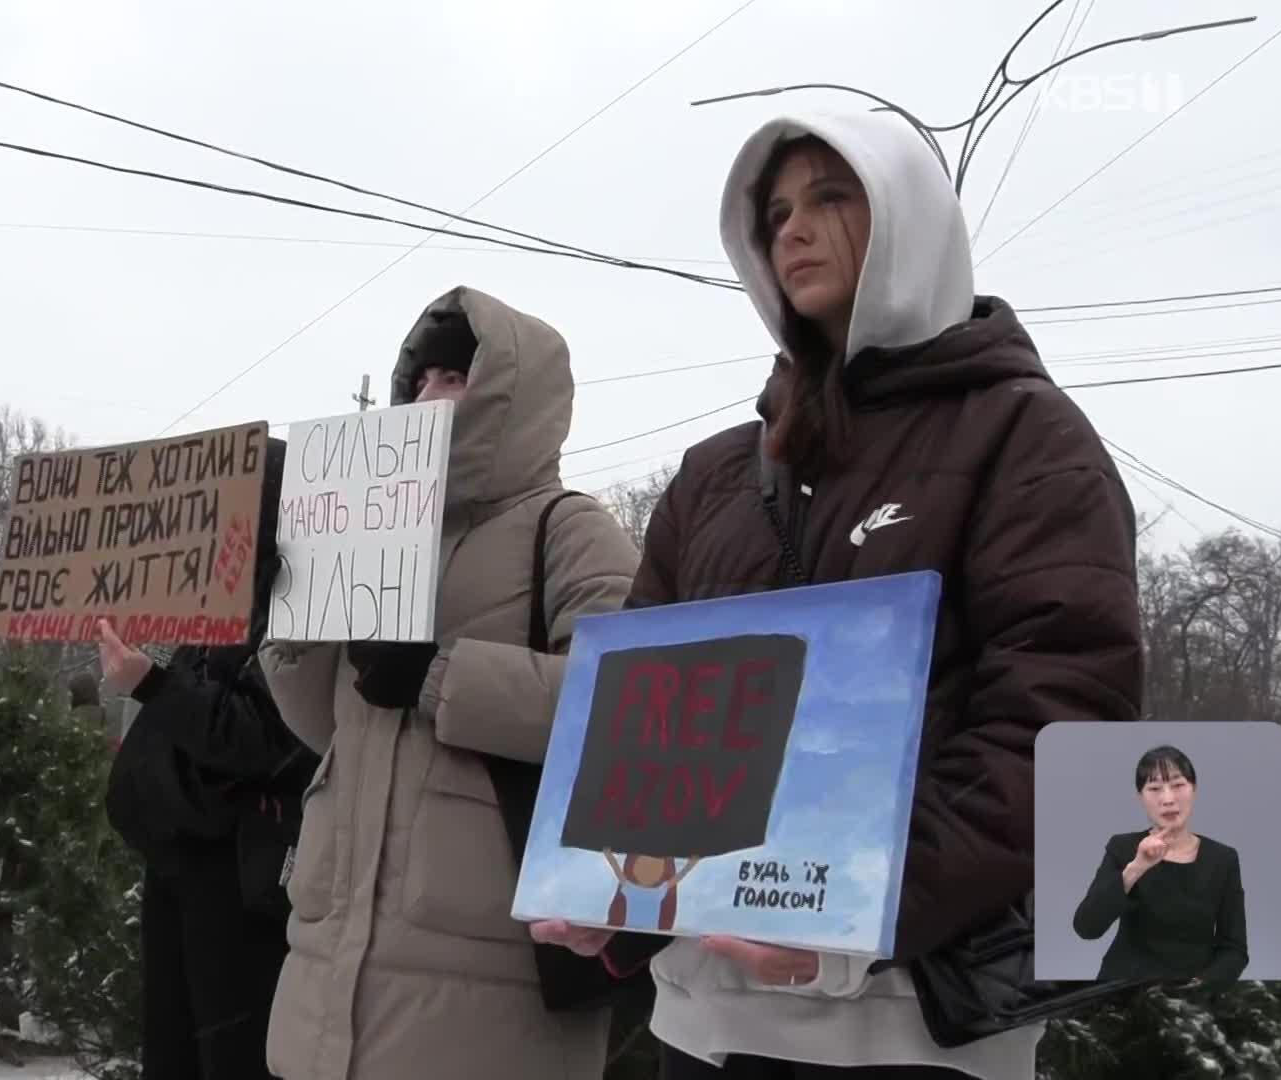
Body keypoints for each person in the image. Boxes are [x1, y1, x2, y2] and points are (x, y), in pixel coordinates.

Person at [531, 110, 1144, 1080]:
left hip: (908, 1033)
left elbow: (1060, 726)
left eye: (830, 196)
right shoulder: (713, 476)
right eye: (774, 213)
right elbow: (643, 719)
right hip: (702, 1024)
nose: (794, 231)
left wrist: (861, 913)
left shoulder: (1026, 441)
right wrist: (609, 897)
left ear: (910, 216)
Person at [257, 286, 640, 1080]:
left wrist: (437, 677)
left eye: (456, 378)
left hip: (489, 988)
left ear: (510, 395)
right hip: (329, 969)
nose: (430, 396)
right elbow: (327, 732)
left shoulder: (566, 527)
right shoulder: (369, 532)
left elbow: (635, 709)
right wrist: (289, 610)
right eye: (422, 379)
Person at [102, 435, 317, 1080]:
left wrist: (152, 683)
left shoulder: (302, 607)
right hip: (183, 859)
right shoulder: (223, 599)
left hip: (243, 876)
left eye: (232, 507)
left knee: (230, 1050)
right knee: (172, 1047)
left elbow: (260, 735)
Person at [1072, 745, 1247, 986]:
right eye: (1154, 789)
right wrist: (1137, 867)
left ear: (1193, 789)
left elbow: (1235, 948)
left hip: (1189, 1001)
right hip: (1122, 991)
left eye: (1178, 785)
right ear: (1141, 797)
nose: (1168, 799)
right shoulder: (1123, 847)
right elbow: (1086, 927)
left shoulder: (1223, 859)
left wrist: (1201, 986)